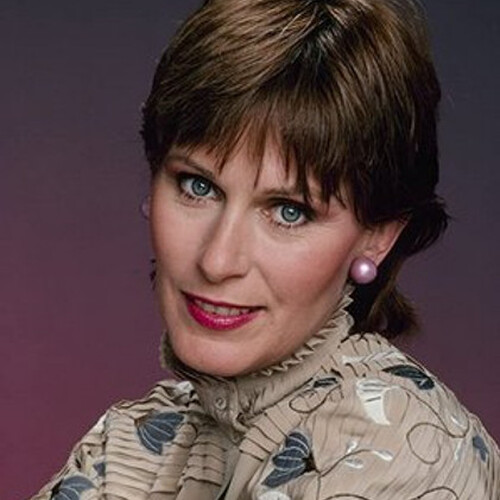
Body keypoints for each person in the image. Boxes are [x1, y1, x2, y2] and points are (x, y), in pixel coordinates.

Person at [32, 0, 499, 498]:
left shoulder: (400, 447)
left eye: (289, 211)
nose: (217, 260)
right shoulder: (131, 446)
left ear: (378, 235)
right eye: (197, 186)